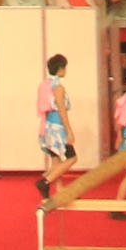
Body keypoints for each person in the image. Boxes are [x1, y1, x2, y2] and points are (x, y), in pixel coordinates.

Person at [37, 50, 76, 196]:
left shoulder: (45, 85)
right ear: (60, 69)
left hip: (47, 126)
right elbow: (61, 110)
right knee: (72, 158)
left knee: (56, 160)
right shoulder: (58, 87)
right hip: (57, 127)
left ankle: (59, 191)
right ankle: (46, 180)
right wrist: (69, 131)